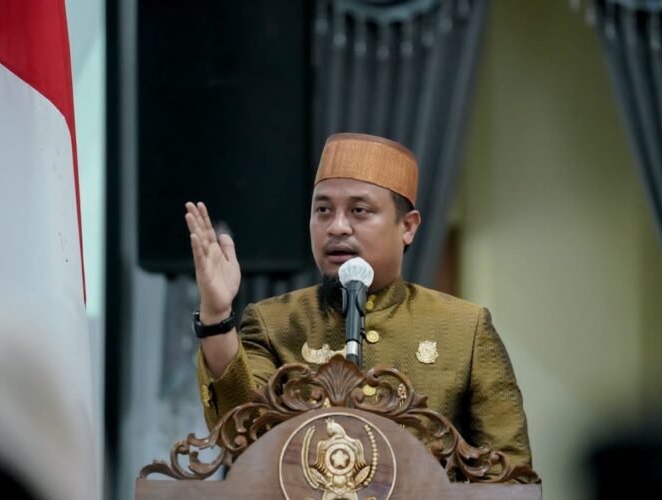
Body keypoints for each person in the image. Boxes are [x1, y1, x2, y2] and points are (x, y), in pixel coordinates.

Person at [185, 132, 537, 480]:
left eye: (359, 210)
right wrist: (216, 316)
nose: (337, 227)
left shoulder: (464, 328)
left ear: (408, 227)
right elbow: (242, 434)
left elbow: (510, 478)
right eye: (323, 210)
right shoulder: (274, 322)